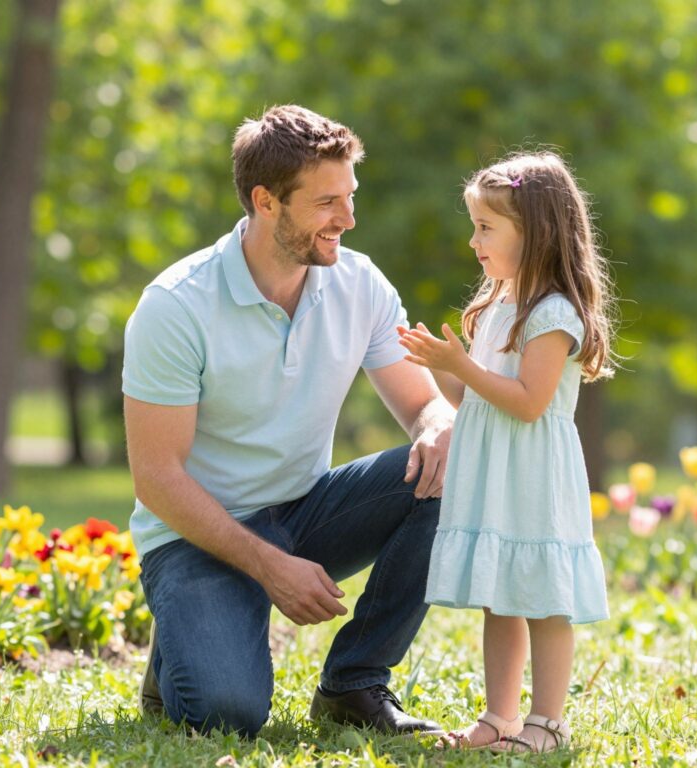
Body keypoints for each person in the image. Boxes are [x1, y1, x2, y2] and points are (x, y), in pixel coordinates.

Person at [122, 105, 454, 737]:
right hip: (195, 535)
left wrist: (438, 422)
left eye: (351, 196)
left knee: (455, 464)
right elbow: (156, 479)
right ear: (265, 201)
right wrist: (268, 566)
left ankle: (354, 685)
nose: (349, 220)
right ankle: (182, 644)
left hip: (304, 511)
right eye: (327, 202)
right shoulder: (176, 306)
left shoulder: (359, 283)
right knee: (228, 716)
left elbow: (423, 404)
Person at [397, 151, 616, 753]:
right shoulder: (498, 305)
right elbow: (473, 395)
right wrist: (438, 366)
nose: (474, 242)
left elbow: (526, 402)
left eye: (486, 228)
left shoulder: (552, 314)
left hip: (534, 476)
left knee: (543, 597)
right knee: (501, 593)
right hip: (498, 473)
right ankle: (500, 717)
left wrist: (459, 364)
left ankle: (548, 722)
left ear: (536, 232)